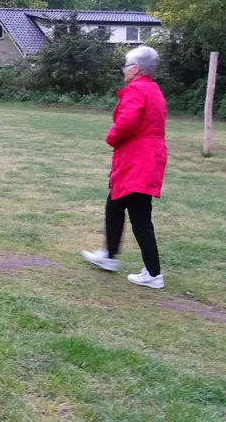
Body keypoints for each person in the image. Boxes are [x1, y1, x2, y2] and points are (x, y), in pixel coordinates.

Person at [82, 46, 168, 289]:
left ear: (135, 69)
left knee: (139, 217)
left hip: (137, 160)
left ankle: (152, 273)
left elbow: (127, 121)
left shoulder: (137, 90)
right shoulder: (153, 90)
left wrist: (111, 136)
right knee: (117, 205)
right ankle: (109, 256)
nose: (123, 71)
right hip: (148, 158)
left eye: (125, 66)